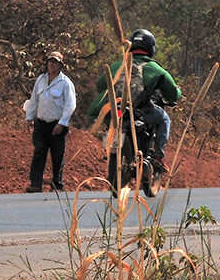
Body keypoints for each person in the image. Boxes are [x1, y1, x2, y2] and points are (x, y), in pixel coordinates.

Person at [86, 29, 181, 169]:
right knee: (164, 118)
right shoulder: (154, 68)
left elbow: (100, 86)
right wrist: (177, 93)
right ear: (151, 49)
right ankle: (158, 156)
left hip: (114, 110)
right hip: (139, 112)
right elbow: (172, 93)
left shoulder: (116, 66)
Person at [25, 51, 77, 192]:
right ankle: (36, 184)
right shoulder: (41, 80)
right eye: (50, 61)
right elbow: (34, 100)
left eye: (55, 62)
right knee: (39, 152)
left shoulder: (65, 83)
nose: (52, 64)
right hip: (41, 124)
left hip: (57, 125)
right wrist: (29, 117)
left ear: (60, 65)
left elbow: (70, 105)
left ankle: (57, 185)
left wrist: (62, 123)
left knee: (57, 155)